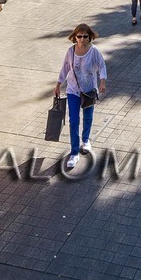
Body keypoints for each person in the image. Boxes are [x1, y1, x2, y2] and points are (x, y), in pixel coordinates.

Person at [54, 24, 107, 171]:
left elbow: (102, 65)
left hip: (89, 90)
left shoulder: (94, 51)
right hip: (73, 90)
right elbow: (65, 68)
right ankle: (74, 152)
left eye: (85, 36)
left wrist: (102, 81)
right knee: (74, 121)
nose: (82, 39)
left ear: (89, 36)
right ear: (74, 37)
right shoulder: (70, 52)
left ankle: (85, 140)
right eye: (79, 36)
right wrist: (58, 84)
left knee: (88, 117)